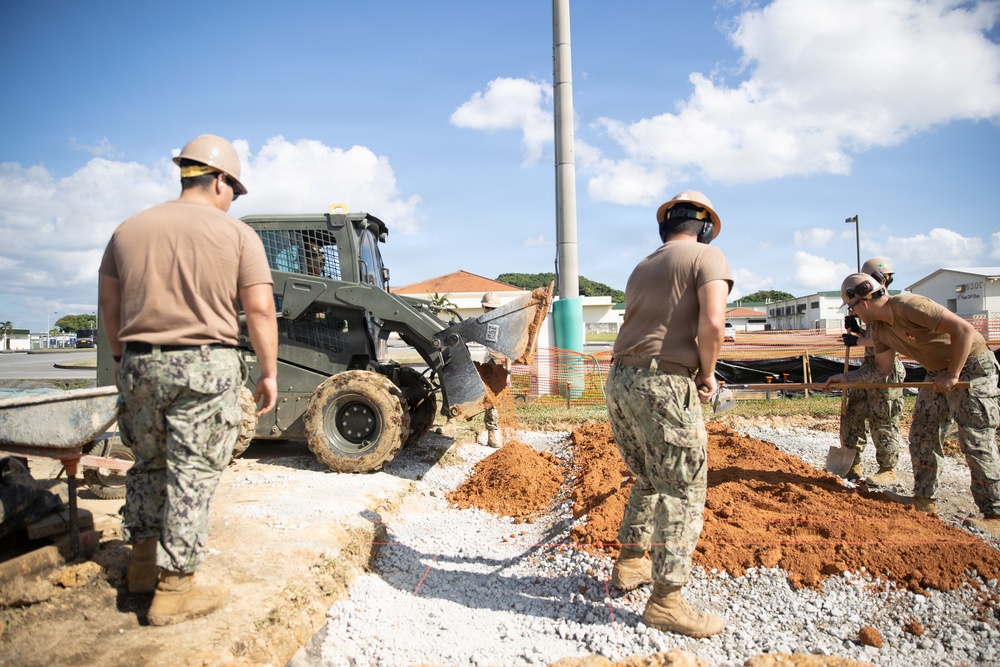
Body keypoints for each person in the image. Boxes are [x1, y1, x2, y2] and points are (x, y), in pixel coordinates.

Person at [98, 134, 279, 626]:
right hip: (203, 365)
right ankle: (174, 589)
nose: (233, 201)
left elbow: (109, 306)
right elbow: (260, 309)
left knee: (149, 463)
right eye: (235, 192)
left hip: (138, 363)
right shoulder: (238, 236)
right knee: (192, 474)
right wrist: (268, 372)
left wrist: (120, 358)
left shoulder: (128, 230)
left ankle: (140, 567)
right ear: (220, 179)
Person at [604, 190, 732, 637]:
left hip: (622, 381)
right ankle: (666, 601)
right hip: (664, 384)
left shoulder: (643, 265)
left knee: (648, 478)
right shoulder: (708, 256)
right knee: (682, 490)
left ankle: (630, 564)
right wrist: (708, 375)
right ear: (705, 226)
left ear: (665, 226)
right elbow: (712, 324)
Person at [825, 273, 1000, 536]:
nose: (854, 315)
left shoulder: (909, 305)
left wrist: (952, 375)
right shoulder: (881, 330)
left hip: (971, 367)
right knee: (922, 435)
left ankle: (995, 514)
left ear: (862, 304)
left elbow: (964, 330)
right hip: (936, 372)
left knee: (975, 439)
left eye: (851, 309)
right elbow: (881, 370)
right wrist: (846, 377)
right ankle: (924, 501)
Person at [839, 258, 905, 485]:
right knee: (853, 412)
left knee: (882, 418)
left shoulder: (890, 306)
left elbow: (885, 340)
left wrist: (857, 341)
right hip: (867, 368)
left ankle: (887, 468)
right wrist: (858, 331)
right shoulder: (869, 305)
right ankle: (851, 462)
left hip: (887, 370)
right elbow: (871, 337)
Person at [480, 292, 510, 448]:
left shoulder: (501, 327)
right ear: (483, 307)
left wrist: (508, 373)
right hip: (478, 366)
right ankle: (451, 422)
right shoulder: (477, 325)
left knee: (493, 400)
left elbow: (508, 352)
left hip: (495, 368)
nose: (490, 311)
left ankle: (491, 434)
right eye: (488, 308)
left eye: (494, 308)